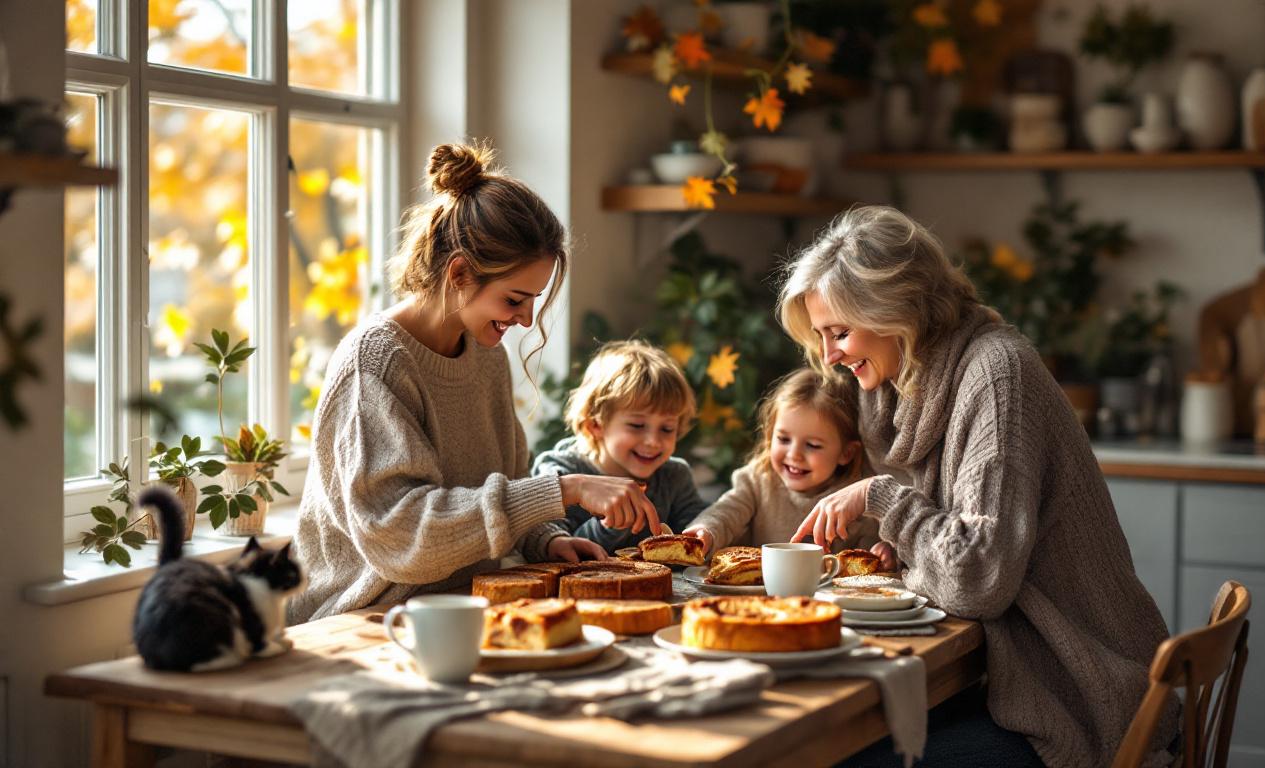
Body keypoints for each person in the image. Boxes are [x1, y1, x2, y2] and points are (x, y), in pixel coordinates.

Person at [779, 206, 1177, 767]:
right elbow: (958, 537)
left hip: (1072, 696)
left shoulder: (996, 374)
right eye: (821, 336)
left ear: (899, 309)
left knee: (838, 756)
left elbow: (978, 580)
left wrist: (879, 498)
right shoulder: (902, 388)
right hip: (1006, 676)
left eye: (840, 333)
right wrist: (910, 546)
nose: (829, 356)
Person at [288, 142, 660, 624]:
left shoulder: (485, 357)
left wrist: (546, 539)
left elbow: (505, 484)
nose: (526, 319)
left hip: (464, 609)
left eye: (533, 301)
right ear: (460, 272)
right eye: (514, 300)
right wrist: (564, 490)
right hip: (365, 621)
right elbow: (401, 539)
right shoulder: (375, 365)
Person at [683, 368, 888, 562]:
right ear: (769, 436)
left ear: (846, 453)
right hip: (760, 594)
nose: (794, 455)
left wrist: (882, 553)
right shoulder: (757, 480)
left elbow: (869, 553)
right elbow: (726, 513)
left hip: (828, 598)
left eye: (812, 445)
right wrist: (706, 530)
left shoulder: (854, 501)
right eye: (783, 439)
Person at [532, 340, 703, 553]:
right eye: (637, 425)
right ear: (594, 425)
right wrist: (610, 526)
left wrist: (703, 534)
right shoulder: (560, 473)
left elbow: (695, 532)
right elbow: (545, 544)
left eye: (667, 429)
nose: (653, 441)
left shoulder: (675, 476)